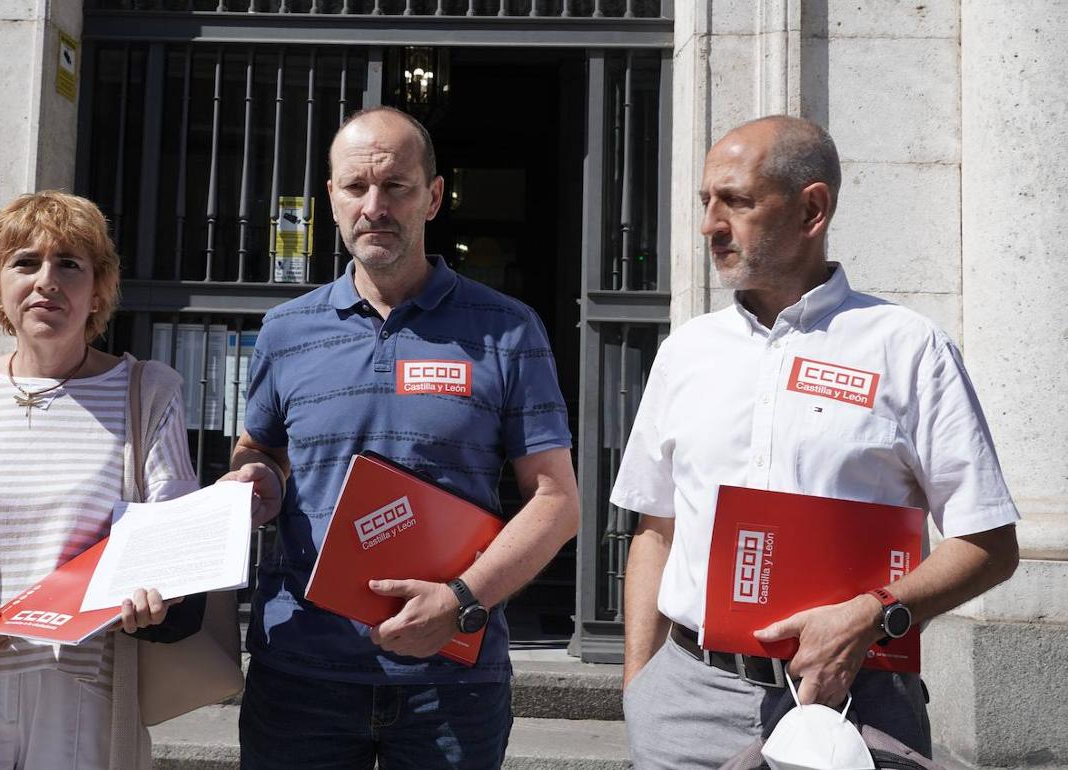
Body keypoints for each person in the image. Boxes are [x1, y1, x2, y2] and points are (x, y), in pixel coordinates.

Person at [611, 115, 1021, 769]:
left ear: (812, 209)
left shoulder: (909, 348)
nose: (710, 225)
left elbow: (990, 546)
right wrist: (640, 685)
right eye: (705, 202)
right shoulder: (686, 352)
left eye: (736, 202)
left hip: (859, 706)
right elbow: (655, 529)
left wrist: (874, 613)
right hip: (688, 705)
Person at [226, 106, 580, 769]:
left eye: (396, 187)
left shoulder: (507, 329)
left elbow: (557, 503)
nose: (374, 206)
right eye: (356, 188)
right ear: (331, 197)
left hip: (450, 683)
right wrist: (256, 478)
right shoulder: (285, 330)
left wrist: (459, 601)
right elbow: (262, 449)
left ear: (434, 197)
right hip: (303, 672)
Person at [0, 191, 203, 770]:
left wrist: (157, 593)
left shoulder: (148, 393)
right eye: (25, 262)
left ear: (98, 287)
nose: (46, 280)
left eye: (69, 264)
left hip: (85, 691)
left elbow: (174, 548)